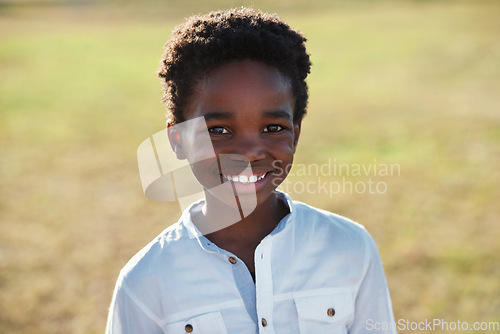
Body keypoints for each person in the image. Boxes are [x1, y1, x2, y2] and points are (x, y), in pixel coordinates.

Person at [106, 7, 396, 334]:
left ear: (296, 134)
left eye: (272, 128)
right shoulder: (145, 283)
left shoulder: (349, 248)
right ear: (178, 140)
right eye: (218, 130)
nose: (248, 152)